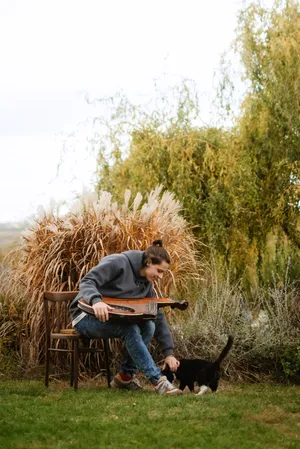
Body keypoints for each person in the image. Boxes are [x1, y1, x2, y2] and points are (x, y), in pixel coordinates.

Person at [69, 239, 182, 395]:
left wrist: (169, 353)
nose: (161, 277)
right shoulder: (118, 262)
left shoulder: (147, 284)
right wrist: (96, 301)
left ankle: (125, 377)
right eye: (159, 271)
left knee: (149, 325)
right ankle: (159, 381)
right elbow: (87, 281)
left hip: (111, 319)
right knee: (129, 329)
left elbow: (158, 315)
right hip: (85, 317)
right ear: (148, 262)